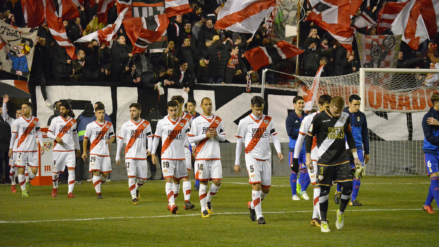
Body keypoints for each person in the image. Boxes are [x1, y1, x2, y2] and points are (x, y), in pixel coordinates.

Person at [305, 96, 362, 233]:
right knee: (324, 191)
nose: (338, 114)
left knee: (348, 187)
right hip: (325, 161)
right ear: (329, 106)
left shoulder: (345, 117)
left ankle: (340, 213)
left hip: (342, 159)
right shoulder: (319, 118)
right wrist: (308, 157)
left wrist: (355, 157)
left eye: (340, 112)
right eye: (336, 112)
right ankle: (323, 221)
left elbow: (349, 136)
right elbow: (309, 136)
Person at [234, 96, 283, 225]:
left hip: (266, 157)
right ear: (251, 107)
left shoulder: (268, 120)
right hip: (251, 156)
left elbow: (275, 136)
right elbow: (239, 142)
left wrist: (278, 151)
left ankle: (252, 205)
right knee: (256, 185)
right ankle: (260, 216)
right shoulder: (244, 122)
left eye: (261, 109)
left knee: (266, 189)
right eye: (256, 109)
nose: (259, 112)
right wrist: (237, 162)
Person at [293, 95, 332, 227]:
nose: (329, 109)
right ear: (320, 105)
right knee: (318, 186)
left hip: (327, 159)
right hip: (313, 158)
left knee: (323, 188)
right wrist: (295, 158)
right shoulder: (309, 119)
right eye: (327, 107)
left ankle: (315, 218)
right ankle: (322, 218)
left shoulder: (332, 119)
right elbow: (300, 139)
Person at [151, 100, 192, 214]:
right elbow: (156, 137)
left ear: (178, 109)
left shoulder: (185, 122)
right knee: (168, 179)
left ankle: (173, 203)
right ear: (167, 110)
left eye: (175, 110)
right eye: (171, 110)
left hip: (180, 156)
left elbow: (189, 138)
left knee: (178, 180)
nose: (173, 113)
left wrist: (193, 148)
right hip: (167, 156)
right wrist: (153, 153)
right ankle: (173, 204)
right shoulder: (162, 123)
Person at [188, 97, 226, 217]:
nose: (208, 106)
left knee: (217, 182)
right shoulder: (196, 121)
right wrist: (205, 135)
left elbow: (224, 136)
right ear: (201, 106)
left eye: (210, 104)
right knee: (203, 182)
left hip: (215, 156)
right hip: (202, 156)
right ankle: (203, 209)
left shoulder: (218, 120)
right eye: (206, 104)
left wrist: (217, 135)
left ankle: (208, 199)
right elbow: (191, 138)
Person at [334, 94, 369, 206]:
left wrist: (367, 152)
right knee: (343, 172)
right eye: (355, 104)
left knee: (358, 173)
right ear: (349, 103)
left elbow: (365, 135)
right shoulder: (342, 115)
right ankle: (338, 190)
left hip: (358, 149)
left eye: (358, 105)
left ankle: (353, 200)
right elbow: (336, 133)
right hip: (344, 148)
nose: (357, 107)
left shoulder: (362, 116)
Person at [115, 103, 153, 205]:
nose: (132, 113)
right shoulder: (126, 125)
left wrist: (150, 149)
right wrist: (117, 155)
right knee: (131, 176)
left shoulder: (146, 124)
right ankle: (134, 197)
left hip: (142, 156)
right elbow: (120, 140)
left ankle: (136, 188)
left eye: (134, 111)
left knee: (143, 179)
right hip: (130, 155)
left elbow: (150, 137)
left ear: (139, 111)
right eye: (130, 111)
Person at [8, 102, 44, 197]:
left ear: (30, 109)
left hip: (33, 150)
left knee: (35, 171)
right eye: (22, 107)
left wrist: (42, 144)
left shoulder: (36, 120)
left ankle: (27, 181)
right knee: (21, 171)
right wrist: (11, 148)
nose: (22, 109)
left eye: (25, 108)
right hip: (21, 150)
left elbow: (39, 133)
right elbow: (13, 136)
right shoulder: (18, 121)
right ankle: (23, 191)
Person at [47, 102, 81, 198]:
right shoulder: (55, 120)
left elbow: (75, 136)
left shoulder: (73, 122)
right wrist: (55, 137)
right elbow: (49, 133)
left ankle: (70, 192)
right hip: (58, 150)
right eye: (60, 109)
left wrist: (77, 148)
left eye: (63, 109)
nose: (61, 111)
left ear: (68, 110)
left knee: (71, 170)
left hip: (70, 150)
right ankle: (55, 188)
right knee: (55, 174)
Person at [82, 104, 115, 199]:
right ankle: (99, 194)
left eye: (103, 112)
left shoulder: (109, 125)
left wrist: (110, 140)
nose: (101, 114)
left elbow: (113, 136)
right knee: (96, 172)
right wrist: (84, 152)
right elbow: (85, 139)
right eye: (99, 113)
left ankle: (97, 184)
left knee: (105, 174)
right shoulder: (90, 126)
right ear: (95, 114)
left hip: (105, 153)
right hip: (94, 152)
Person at [168, 95, 195, 209]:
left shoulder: (188, 118)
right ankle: (172, 203)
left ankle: (187, 201)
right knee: (175, 179)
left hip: (185, 149)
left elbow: (192, 133)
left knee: (186, 175)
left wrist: (193, 146)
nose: (175, 108)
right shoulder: (168, 118)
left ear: (180, 105)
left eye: (177, 105)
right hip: (173, 150)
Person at [285, 96, 306, 200]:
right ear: (294, 104)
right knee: (294, 170)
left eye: (302, 103)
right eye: (299, 103)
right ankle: (294, 194)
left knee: (306, 169)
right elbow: (290, 133)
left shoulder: (306, 116)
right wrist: (302, 133)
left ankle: (301, 189)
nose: (301, 105)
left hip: (305, 148)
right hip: (294, 149)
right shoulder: (290, 118)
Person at [422, 93, 439, 214]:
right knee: (435, 177)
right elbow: (429, 137)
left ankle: (427, 204)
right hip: (430, 151)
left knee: (437, 180)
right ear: (436, 103)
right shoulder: (427, 117)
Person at [3, 94, 22, 192]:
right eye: (17, 113)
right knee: (13, 169)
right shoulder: (13, 122)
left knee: (24, 168)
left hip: (24, 149)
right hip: (14, 148)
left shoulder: (26, 122)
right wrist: (4, 103)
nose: (18, 114)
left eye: (19, 113)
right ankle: (13, 183)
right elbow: (5, 115)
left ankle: (24, 185)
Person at [76, 103, 95, 184]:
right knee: (95, 158)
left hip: (81, 139)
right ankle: (96, 177)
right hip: (93, 140)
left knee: (80, 159)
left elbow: (75, 128)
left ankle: (78, 179)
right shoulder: (95, 116)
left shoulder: (80, 116)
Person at [146, 105, 164, 180]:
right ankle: (163, 174)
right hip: (161, 140)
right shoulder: (162, 118)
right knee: (161, 158)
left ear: (150, 111)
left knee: (151, 158)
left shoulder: (148, 118)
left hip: (152, 140)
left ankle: (153, 174)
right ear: (158, 111)